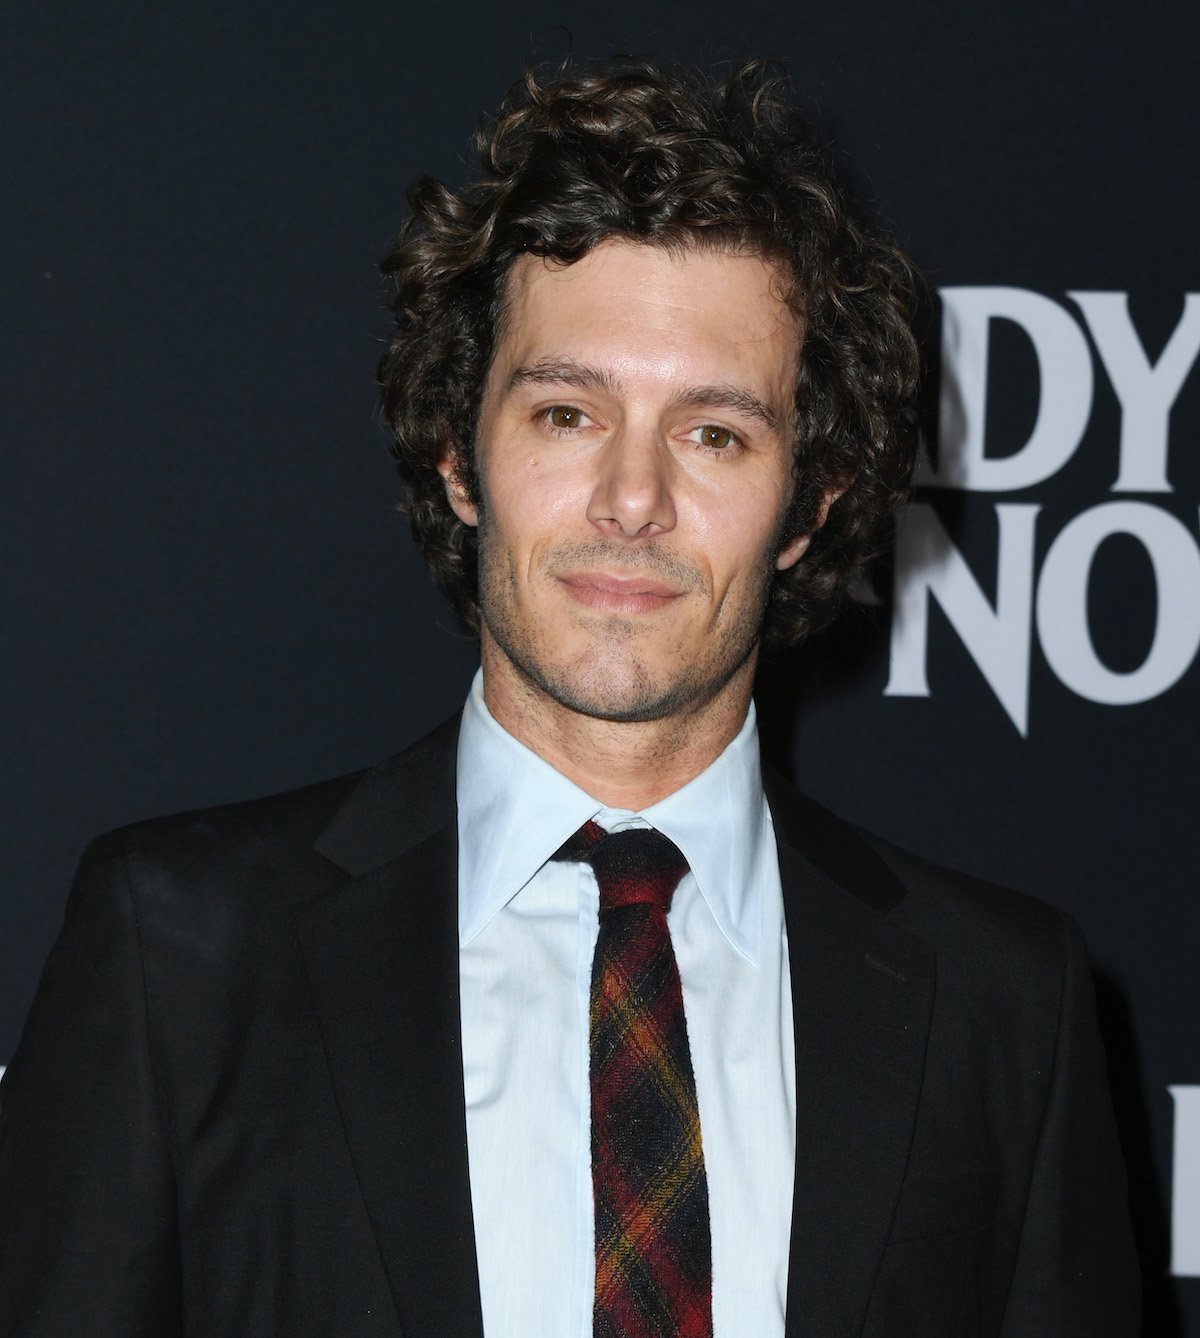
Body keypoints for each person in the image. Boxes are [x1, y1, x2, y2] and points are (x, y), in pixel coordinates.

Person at [0, 57, 1138, 1338]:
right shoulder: (183, 955)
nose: (632, 499)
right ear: (458, 454)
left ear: (810, 504)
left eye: (714, 432)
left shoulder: (1000, 1003)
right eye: (564, 415)